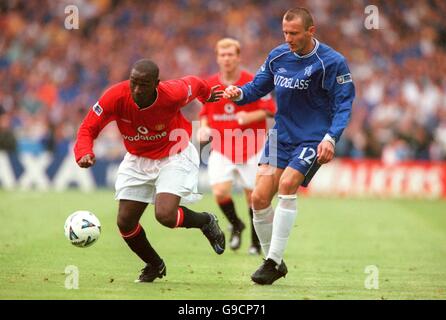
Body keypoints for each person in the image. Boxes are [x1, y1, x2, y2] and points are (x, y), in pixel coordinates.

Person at [224, 7, 355, 285]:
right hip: (280, 136)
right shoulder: (278, 56)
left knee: (287, 185)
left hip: (312, 137)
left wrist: (331, 138)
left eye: (294, 33)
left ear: (311, 30)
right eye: (285, 32)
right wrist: (238, 93)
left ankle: (270, 261)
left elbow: (344, 104)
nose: (288, 38)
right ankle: (277, 260)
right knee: (258, 199)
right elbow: (256, 88)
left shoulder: (332, 62)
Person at [74, 59, 226, 283]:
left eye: (143, 84)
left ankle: (205, 221)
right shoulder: (115, 96)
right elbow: (88, 127)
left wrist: (205, 96)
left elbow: (194, 83)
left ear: (157, 83)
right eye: (133, 82)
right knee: (125, 222)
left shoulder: (173, 93)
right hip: (138, 158)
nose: (136, 89)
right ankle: (154, 264)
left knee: (165, 215)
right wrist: (84, 152)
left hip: (174, 153)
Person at [197, 38, 276, 255]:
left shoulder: (253, 81)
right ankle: (236, 224)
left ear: (238, 57)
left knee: (253, 197)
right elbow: (205, 113)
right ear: (217, 58)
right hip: (222, 147)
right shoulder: (211, 84)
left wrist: (247, 116)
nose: (227, 58)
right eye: (222, 55)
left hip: (251, 145)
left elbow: (270, 110)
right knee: (220, 193)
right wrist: (203, 128)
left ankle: (255, 241)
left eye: (231, 54)